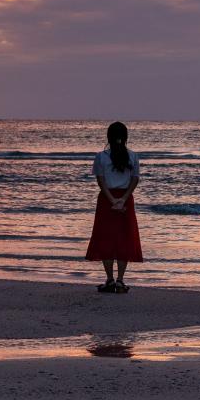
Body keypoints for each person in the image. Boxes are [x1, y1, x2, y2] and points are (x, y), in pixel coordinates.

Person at [85, 121, 142, 292]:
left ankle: (110, 280)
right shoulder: (133, 156)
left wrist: (112, 200)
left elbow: (100, 181)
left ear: (108, 137)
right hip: (125, 198)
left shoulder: (101, 156)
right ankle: (120, 280)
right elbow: (135, 179)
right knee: (124, 239)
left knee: (106, 238)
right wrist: (123, 199)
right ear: (125, 137)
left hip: (106, 199)